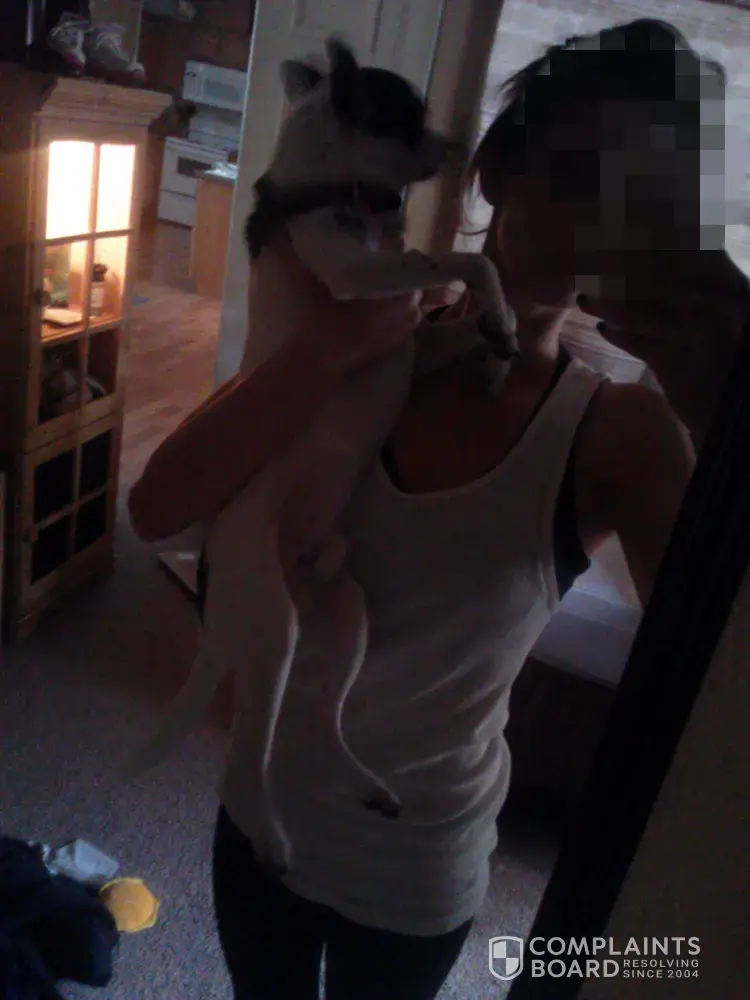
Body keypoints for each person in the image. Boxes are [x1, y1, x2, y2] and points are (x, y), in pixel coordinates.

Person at [128, 19, 749, 1000]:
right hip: (259, 818)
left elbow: (721, 691)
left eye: (643, 197)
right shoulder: (350, 329)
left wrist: (727, 413)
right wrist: (327, 351)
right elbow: (158, 509)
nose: (602, 218)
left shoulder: (620, 432)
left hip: (414, 870)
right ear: (497, 169)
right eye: (583, 172)